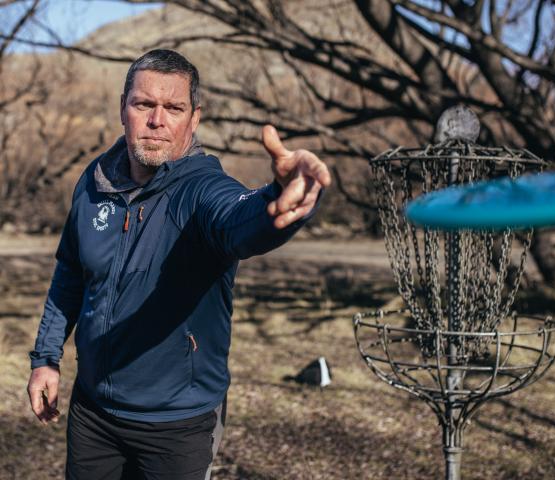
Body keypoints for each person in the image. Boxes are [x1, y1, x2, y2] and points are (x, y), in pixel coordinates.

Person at [26, 49, 330, 480]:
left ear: (194, 118)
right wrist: (46, 357)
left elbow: (238, 219)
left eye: (174, 108)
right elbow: (71, 272)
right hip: (93, 413)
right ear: (123, 108)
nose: (157, 120)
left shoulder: (201, 190)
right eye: (144, 104)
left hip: (178, 425)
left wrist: (277, 201)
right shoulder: (95, 181)